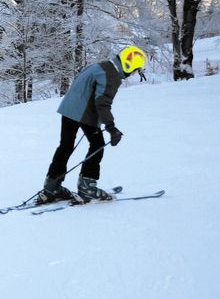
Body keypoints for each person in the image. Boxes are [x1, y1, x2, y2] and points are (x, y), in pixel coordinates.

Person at [40, 45, 147, 203]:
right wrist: (111, 127)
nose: (131, 74)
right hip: (84, 113)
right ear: (128, 65)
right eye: (134, 69)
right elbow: (102, 103)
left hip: (68, 109)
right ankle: (87, 188)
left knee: (65, 146)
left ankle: (51, 187)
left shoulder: (99, 66)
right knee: (97, 145)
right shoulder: (111, 75)